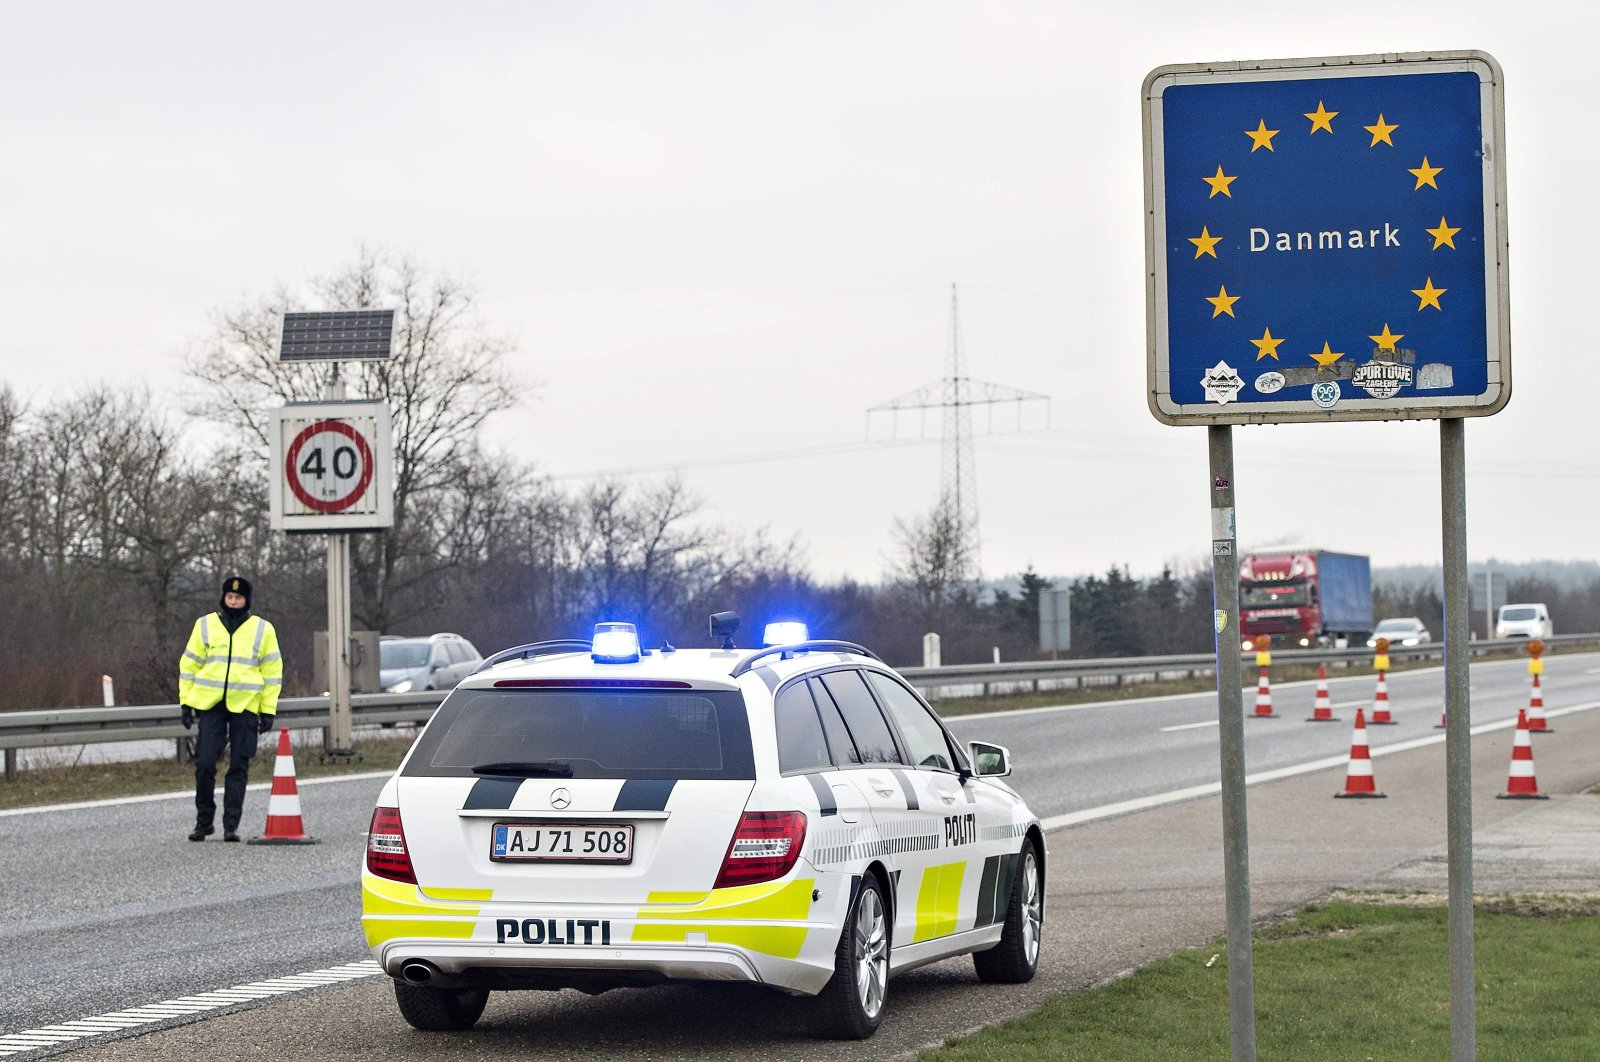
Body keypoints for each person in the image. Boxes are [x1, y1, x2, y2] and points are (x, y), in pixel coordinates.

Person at [178, 575, 283, 841]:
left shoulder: (263, 629)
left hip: (246, 706)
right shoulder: (205, 625)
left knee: (239, 765)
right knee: (204, 763)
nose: (233, 601)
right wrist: (186, 702)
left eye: (238, 598)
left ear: (247, 601)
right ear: (223, 598)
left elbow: (272, 672)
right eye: (229, 597)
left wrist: (268, 709)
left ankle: (230, 825)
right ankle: (204, 822)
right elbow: (189, 665)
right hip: (211, 704)